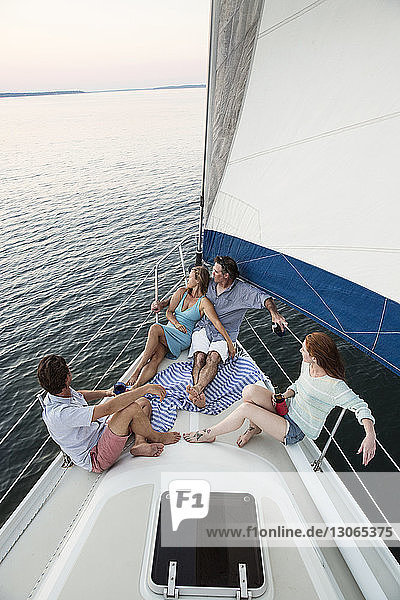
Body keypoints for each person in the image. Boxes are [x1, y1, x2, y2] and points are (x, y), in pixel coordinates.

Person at [183, 332, 376, 466]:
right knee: (249, 391)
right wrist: (285, 395)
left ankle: (209, 434)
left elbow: (361, 407)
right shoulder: (307, 366)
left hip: (294, 429)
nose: (300, 351)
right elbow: (298, 385)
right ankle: (254, 428)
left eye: (304, 349)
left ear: (315, 357)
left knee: (245, 409)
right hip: (286, 409)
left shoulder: (335, 386)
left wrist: (370, 435)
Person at [152, 256, 287, 408]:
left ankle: (197, 390)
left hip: (225, 333)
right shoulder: (209, 283)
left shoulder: (243, 291)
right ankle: (198, 393)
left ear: (226, 275)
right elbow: (188, 293)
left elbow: (265, 299)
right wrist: (162, 304)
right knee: (199, 358)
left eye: (215, 271)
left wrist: (274, 314)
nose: (212, 273)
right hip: (203, 327)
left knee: (213, 358)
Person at [38, 354, 181, 473]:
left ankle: (139, 443)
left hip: (99, 430)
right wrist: (145, 388)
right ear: (66, 378)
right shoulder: (61, 414)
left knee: (142, 402)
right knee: (131, 408)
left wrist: (107, 393)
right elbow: (107, 409)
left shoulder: (57, 393)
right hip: (95, 455)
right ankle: (158, 437)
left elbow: (79, 395)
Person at [127, 266, 235, 388]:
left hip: (183, 336)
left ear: (198, 280)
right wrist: (176, 324)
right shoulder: (181, 292)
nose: (187, 279)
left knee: (154, 328)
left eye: (190, 277)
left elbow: (216, 322)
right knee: (156, 358)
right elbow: (169, 312)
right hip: (170, 330)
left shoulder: (203, 302)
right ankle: (136, 386)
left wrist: (229, 343)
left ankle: (137, 371)